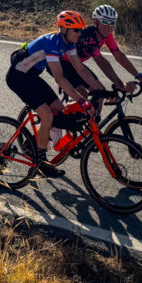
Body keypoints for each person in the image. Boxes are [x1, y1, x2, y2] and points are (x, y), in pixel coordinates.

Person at [7, 10, 106, 177]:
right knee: (47, 116)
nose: (80, 33)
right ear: (65, 29)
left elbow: (81, 69)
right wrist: (82, 101)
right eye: (76, 30)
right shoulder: (51, 43)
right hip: (18, 78)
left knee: (60, 110)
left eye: (81, 29)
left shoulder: (69, 43)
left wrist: (101, 90)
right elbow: (59, 78)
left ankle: (37, 143)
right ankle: (41, 162)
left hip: (31, 77)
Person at [60, 4, 142, 95]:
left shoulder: (107, 35)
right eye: (105, 22)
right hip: (61, 63)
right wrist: (120, 85)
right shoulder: (88, 37)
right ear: (96, 22)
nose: (109, 26)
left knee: (99, 94)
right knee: (82, 95)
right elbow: (101, 62)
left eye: (112, 23)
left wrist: (139, 76)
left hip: (77, 65)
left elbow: (119, 56)